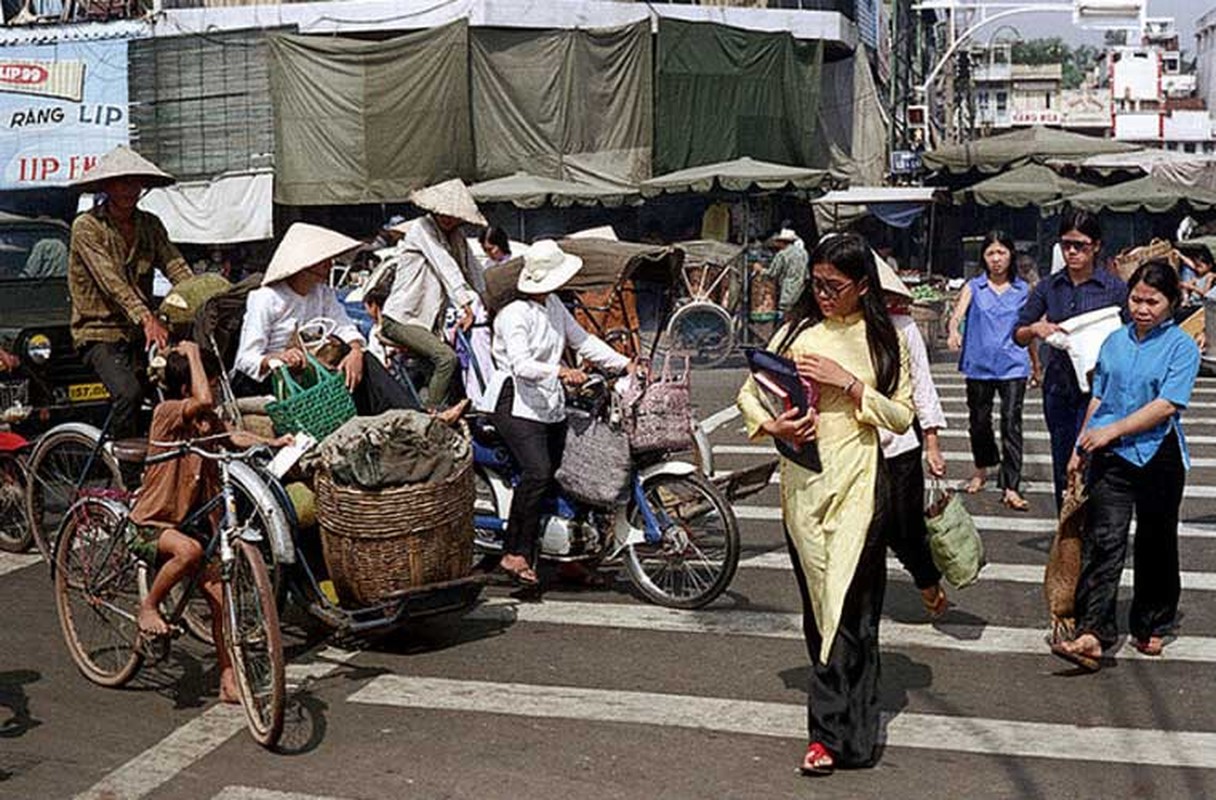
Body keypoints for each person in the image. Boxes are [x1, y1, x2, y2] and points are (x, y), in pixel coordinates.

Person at [737, 232, 914, 775]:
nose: (823, 295)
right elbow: (752, 391)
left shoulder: (887, 343)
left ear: (864, 286)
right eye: (816, 285)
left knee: (853, 611)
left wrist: (851, 387)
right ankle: (838, 732)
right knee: (821, 610)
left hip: (860, 486)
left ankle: (838, 736)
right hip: (803, 485)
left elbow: (902, 416)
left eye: (834, 286)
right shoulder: (797, 331)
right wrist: (774, 424)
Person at [1052, 262, 1199, 671]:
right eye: (1136, 298)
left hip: (1159, 456)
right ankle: (1092, 633)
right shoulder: (1113, 342)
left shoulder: (1182, 347)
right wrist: (1080, 447)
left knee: (1156, 542)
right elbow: (1099, 397)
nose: (1143, 308)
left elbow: (1167, 404)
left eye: (1153, 301)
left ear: (1172, 303)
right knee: (1104, 540)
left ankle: (1152, 621)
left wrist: (1111, 431)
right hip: (1111, 456)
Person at [130, 341, 291, 703]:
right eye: (211, 382)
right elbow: (202, 399)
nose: (215, 390)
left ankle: (228, 680)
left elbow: (232, 436)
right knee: (189, 550)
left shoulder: (205, 421)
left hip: (189, 523)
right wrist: (189, 354)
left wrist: (273, 441)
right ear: (188, 387)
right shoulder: (167, 413)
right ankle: (149, 606)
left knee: (220, 600)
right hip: (153, 522)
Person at [480, 240, 632, 586]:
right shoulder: (514, 314)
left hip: (547, 402)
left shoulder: (553, 306)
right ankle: (514, 552)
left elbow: (584, 342)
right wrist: (561, 372)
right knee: (538, 472)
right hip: (513, 403)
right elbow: (521, 364)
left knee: (575, 467)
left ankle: (571, 556)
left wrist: (626, 365)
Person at [233, 222, 456, 420]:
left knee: (365, 361)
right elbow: (246, 358)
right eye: (324, 261)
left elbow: (344, 326)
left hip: (313, 368)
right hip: (279, 378)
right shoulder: (266, 299)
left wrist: (356, 351)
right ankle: (415, 420)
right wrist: (278, 358)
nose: (330, 266)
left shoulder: (323, 293)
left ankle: (413, 418)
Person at [68, 145, 194, 440]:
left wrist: (200, 297)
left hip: (140, 333)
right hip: (99, 332)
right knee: (129, 393)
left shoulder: (149, 224)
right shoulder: (87, 227)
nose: (129, 189)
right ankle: (124, 470)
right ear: (106, 187)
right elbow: (112, 283)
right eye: (121, 182)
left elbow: (175, 265)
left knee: (179, 385)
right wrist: (146, 317)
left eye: (134, 182)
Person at [1014, 210, 1127, 511]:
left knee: (1095, 458)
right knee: (1063, 459)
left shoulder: (1114, 288)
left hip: (1101, 392)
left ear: (1097, 246)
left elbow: (1132, 336)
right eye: (1066, 245)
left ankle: (1097, 529)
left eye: (1081, 245)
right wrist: (1036, 329)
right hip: (1060, 389)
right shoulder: (1048, 287)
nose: (1073, 252)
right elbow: (1018, 333)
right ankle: (1067, 531)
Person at [876, 257, 949, 617]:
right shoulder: (833, 327)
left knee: (903, 525)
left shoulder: (902, 326)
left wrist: (932, 444)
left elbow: (922, 383)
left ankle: (926, 578)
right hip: (851, 446)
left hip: (900, 442)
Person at [380, 179, 485, 410]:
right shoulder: (422, 228)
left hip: (428, 324)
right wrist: (466, 305)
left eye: (453, 214)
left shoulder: (457, 237)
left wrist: (489, 299)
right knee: (447, 359)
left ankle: (446, 409)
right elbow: (445, 266)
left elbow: (474, 270)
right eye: (443, 213)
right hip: (402, 318)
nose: (448, 218)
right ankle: (431, 417)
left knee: (455, 371)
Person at [948, 230, 1033, 511]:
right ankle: (982, 467)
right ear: (983, 257)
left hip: (1013, 364)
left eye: (1002, 253)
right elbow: (957, 315)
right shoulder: (974, 287)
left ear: (1011, 255)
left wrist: (1037, 365)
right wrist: (953, 332)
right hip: (979, 364)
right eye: (991, 253)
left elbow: (1029, 328)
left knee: (1011, 422)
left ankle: (1011, 485)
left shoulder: (1023, 290)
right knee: (979, 421)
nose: (996, 259)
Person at [752, 228, 808, 316]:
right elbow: (806, 274)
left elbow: (772, 273)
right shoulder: (804, 253)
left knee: (785, 312)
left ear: (782, 242)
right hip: (801, 288)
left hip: (788, 289)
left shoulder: (782, 254)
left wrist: (760, 269)